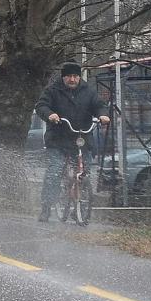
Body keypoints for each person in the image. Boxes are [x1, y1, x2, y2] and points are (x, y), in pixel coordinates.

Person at [34, 61, 110, 222]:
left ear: (79, 77)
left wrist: (103, 115)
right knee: (55, 170)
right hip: (58, 139)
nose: (72, 79)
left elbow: (99, 105)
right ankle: (46, 207)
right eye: (69, 76)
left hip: (82, 138)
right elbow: (41, 106)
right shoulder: (53, 90)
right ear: (63, 77)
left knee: (84, 172)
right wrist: (50, 115)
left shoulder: (88, 91)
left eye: (75, 76)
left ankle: (80, 209)